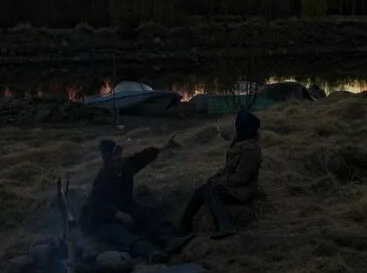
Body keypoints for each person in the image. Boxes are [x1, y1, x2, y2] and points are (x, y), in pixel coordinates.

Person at [82, 135, 193, 263]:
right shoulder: (102, 179)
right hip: (105, 221)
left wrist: (162, 148)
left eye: (120, 154)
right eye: (116, 156)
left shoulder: (125, 167)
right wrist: (117, 214)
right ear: (108, 160)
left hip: (127, 208)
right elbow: (96, 205)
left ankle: (169, 240)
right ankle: (150, 252)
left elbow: (141, 158)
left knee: (151, 214)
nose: (120, 158)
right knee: (121, 234)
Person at [179, 109, 262, 238]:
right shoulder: (241, 144)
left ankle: (226, 224)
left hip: (243, 190)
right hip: (234, 185)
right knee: (201, 190)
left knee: (211, 190)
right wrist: (216, 177)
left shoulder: (250, 151)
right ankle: (184, 225)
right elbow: (229, 169)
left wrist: (219, 181)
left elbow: (241, 178)